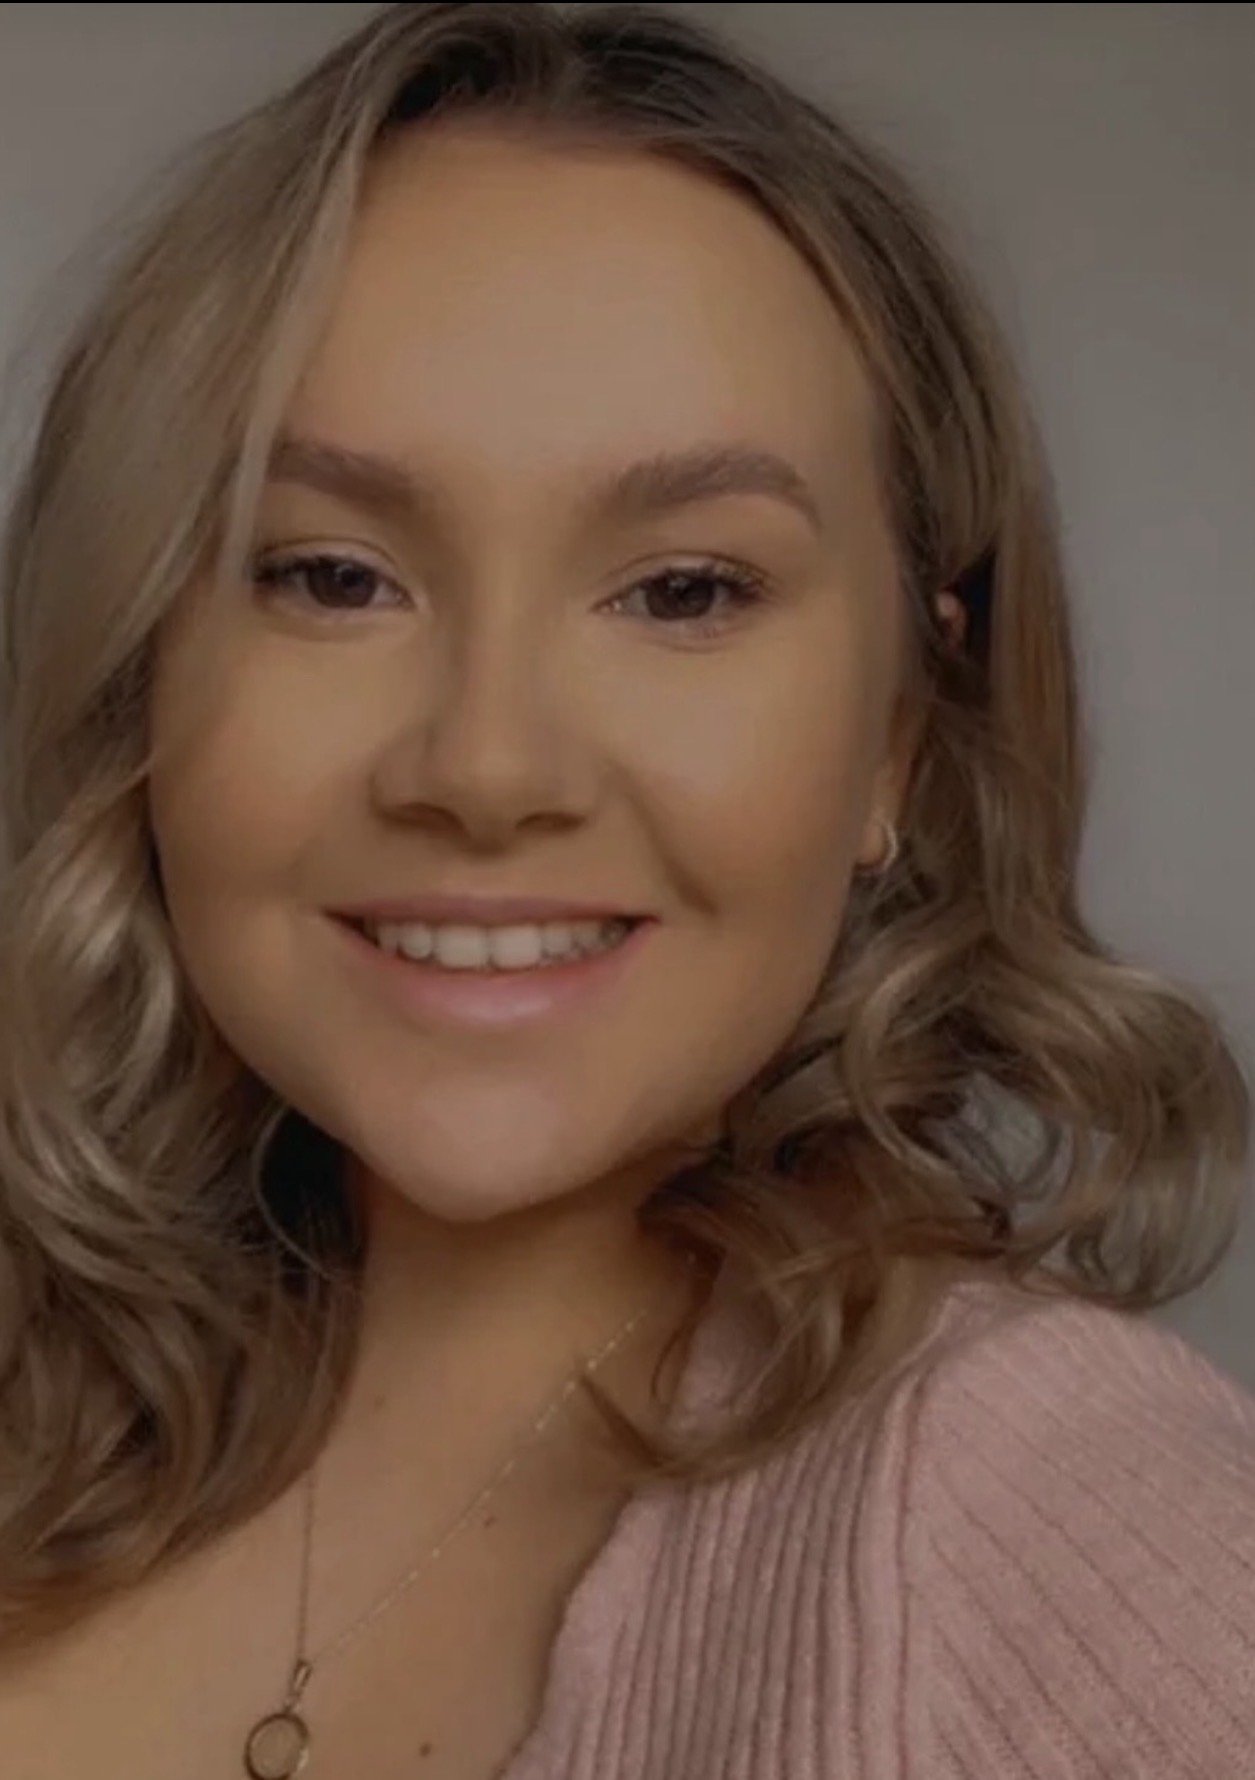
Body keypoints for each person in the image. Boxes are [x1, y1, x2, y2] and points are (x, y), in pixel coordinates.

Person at [0, 4, 1251, 1777]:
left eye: (684, 593)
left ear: (900, 732)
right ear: (140, 668)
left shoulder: (1066, 1519)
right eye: (333, 574)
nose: (490, 768)